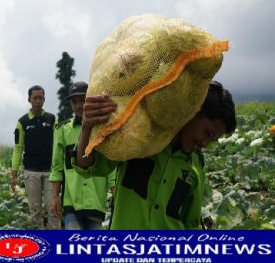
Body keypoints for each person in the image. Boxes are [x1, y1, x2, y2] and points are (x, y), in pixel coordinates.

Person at [74, 81, 236, 229]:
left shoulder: (196, 167)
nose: (205, 144)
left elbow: (190, 224)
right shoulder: (140, 138)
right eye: (207, 133)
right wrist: (87, 127)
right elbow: (87, 166)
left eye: (212, 140)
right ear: (194, 112)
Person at [49, 82, 116, 230]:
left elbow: (110, 167)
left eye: (83, 100)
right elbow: (57, 167)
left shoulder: (103, 128)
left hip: (96, 202)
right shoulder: (62, 130)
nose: (79, 105)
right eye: (74, 101)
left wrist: (115, 194)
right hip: (71, 201)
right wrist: (55, 197)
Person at [11, 85, 60, 229]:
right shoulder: (22, 122)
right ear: (29, 100)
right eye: (35, 98)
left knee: (54, 209)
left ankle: (56, 242)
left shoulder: (52, 119)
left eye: (40, 98)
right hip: (31, 172)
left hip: (51, 172)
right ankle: (37, 244)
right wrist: (14, 175)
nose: (38, 101)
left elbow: (58, 145)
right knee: (35, 210)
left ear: (44, 99)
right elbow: (18, 148)